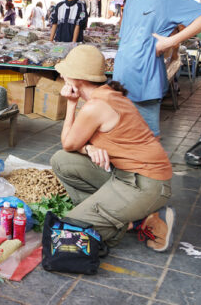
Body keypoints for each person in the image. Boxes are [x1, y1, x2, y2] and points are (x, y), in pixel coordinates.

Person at [50, 44, 175, 252]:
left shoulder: (95, 106)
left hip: (145, 183)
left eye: (66, 74)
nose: (63, 77)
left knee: (69, 236)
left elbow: (69, 142)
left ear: (78, 79)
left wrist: (71, 104)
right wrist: (88, 148)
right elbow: (71, 147)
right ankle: (128, 215)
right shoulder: (105, 94)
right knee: (61, 160)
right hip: (127, 176)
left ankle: (133, 222)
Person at [108, 0, 201, 137]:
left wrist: (171, 41)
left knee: (146, 139)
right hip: (122, 78)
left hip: (144, 80)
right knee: (124, 137)